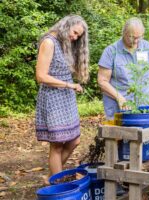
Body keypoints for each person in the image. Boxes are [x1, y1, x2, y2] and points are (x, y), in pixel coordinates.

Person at [35, 15, 89, 183]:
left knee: (75, 140)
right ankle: (58, 185)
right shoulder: (49, 42)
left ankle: (52, 177)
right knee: (57, 144)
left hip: (66, 98)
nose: (74, 37)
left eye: (78, 36)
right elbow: (41, 76)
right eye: (74, 33)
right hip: (53, 98)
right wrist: (68, 84)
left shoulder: (64, 43)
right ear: (66, 26)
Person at [98, 17, 149, 120]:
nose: (136, 41)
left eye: (139, 37)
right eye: (132, 37)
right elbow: (102, 81)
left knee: (145, 134)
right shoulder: (111, 51)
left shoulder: (148, 47)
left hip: (145, 107)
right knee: (119, 135)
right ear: (124, 32)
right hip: (119, 108)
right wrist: (120, 98)